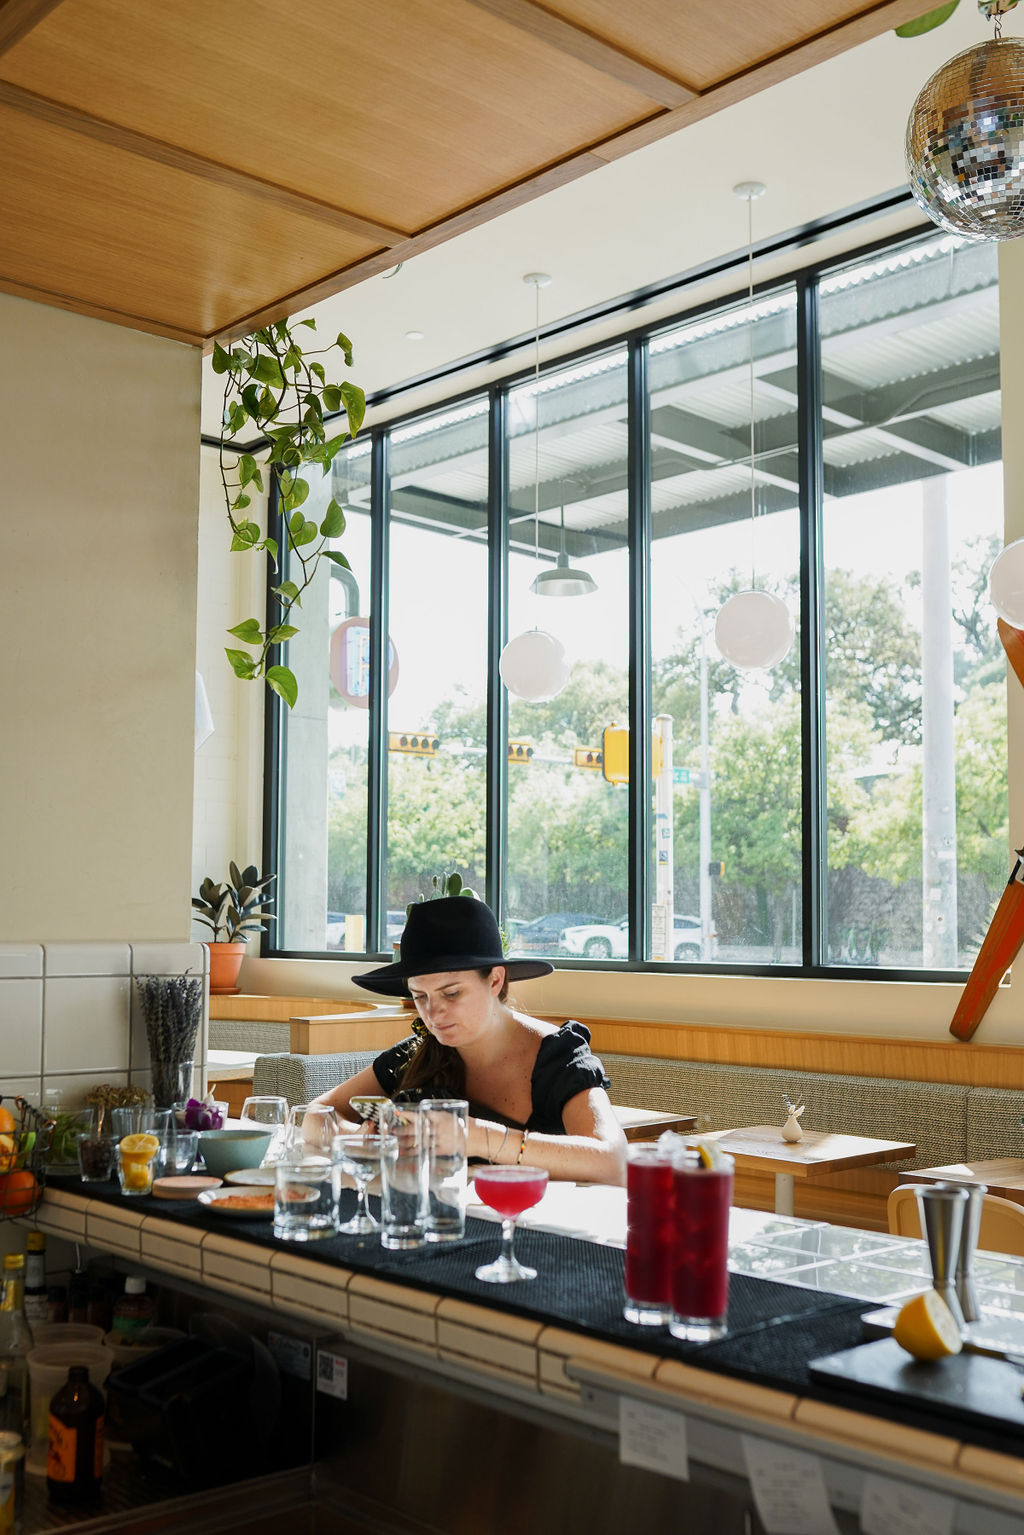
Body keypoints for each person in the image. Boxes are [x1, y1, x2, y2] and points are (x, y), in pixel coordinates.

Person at [315, 897, 627, 1186]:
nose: (433, 1013)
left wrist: (474, 1136)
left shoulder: (558, 1056)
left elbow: (612, 1161)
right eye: (419, 996)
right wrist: (356, 1138)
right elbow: (314, 1115)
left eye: (452, 993)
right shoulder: (417, 1052)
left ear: (495, 979)